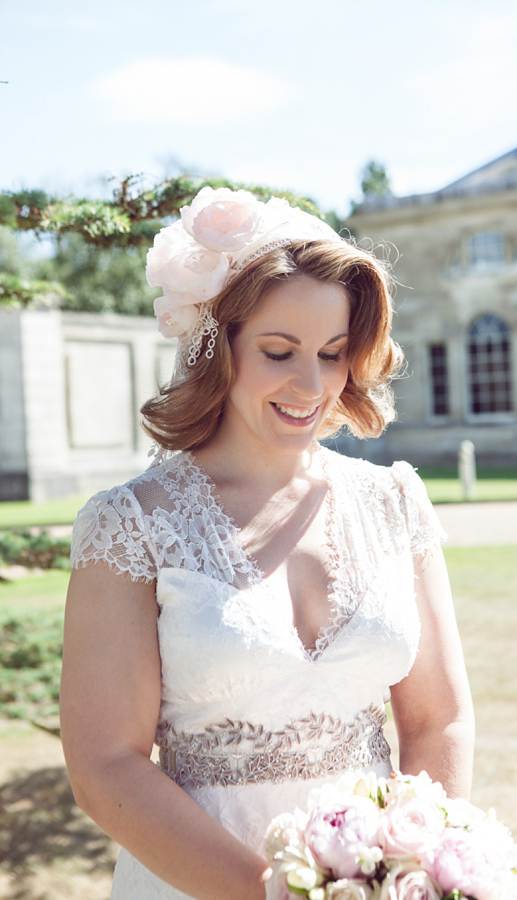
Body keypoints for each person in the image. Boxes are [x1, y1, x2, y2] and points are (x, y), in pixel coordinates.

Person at [60, 187, 475, 900]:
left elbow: (440, 718)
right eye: (279, 351)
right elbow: (106, 766)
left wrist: (412, 869)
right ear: (217, 349)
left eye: (333, 353)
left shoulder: (394, 501)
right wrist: (278, 894)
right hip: (193, 882)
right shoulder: (129, 525)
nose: (311, 385)